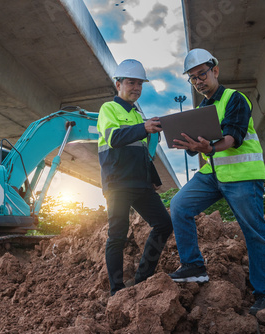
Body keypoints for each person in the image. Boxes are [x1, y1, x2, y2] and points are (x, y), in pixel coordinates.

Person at [169, 48, 265, 315]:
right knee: (179, 205)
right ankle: (194, 266)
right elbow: (198, 147)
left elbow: (233, 137)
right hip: (212, 175)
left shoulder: (235, 99)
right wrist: (189, 144)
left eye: (202, 74)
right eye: (193, 78)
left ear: (215, 70)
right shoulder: (202, 109)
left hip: (242, 176)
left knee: (254, 233)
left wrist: (209, 149)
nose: (198, 81)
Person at [97, 59, 174, 296]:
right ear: (118, 84)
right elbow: (114, 138)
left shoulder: (137, 115)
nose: (136, 88)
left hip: (141, 184)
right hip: (118, 184)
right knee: (117, 236)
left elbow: (143, 154)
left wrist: (153, 178)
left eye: (140, 84)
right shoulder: (108, 109)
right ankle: (116, 290)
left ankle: (142, 278)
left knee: (164, 224)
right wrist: (145, 128)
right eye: (131, 82)